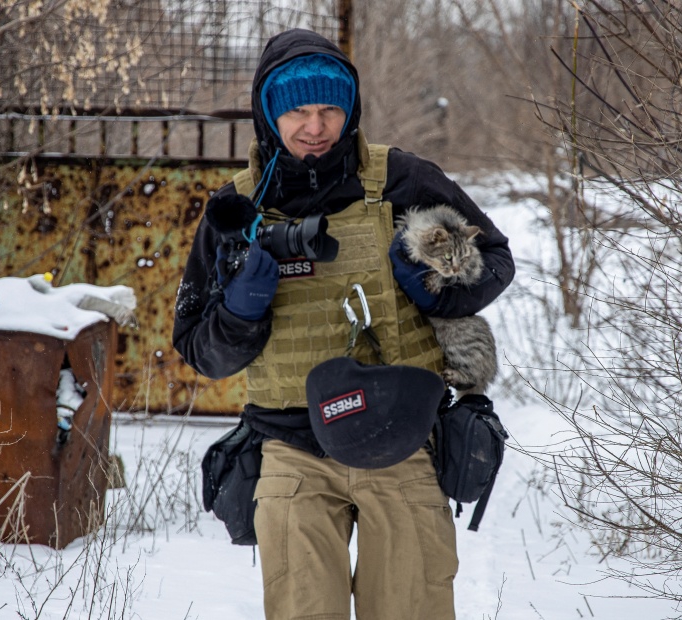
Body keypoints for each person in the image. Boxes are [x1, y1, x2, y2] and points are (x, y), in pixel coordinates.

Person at [173, 28, 514, 620]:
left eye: (330, 108)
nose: (315, 126)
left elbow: (496, 262)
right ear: (268, 114)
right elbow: (201, 351)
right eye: (298, 110)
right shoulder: (236, 208)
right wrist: (240, 312)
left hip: (404, 442)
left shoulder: (401, 180)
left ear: (350, 110)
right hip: (290, 449)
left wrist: (431, 285)